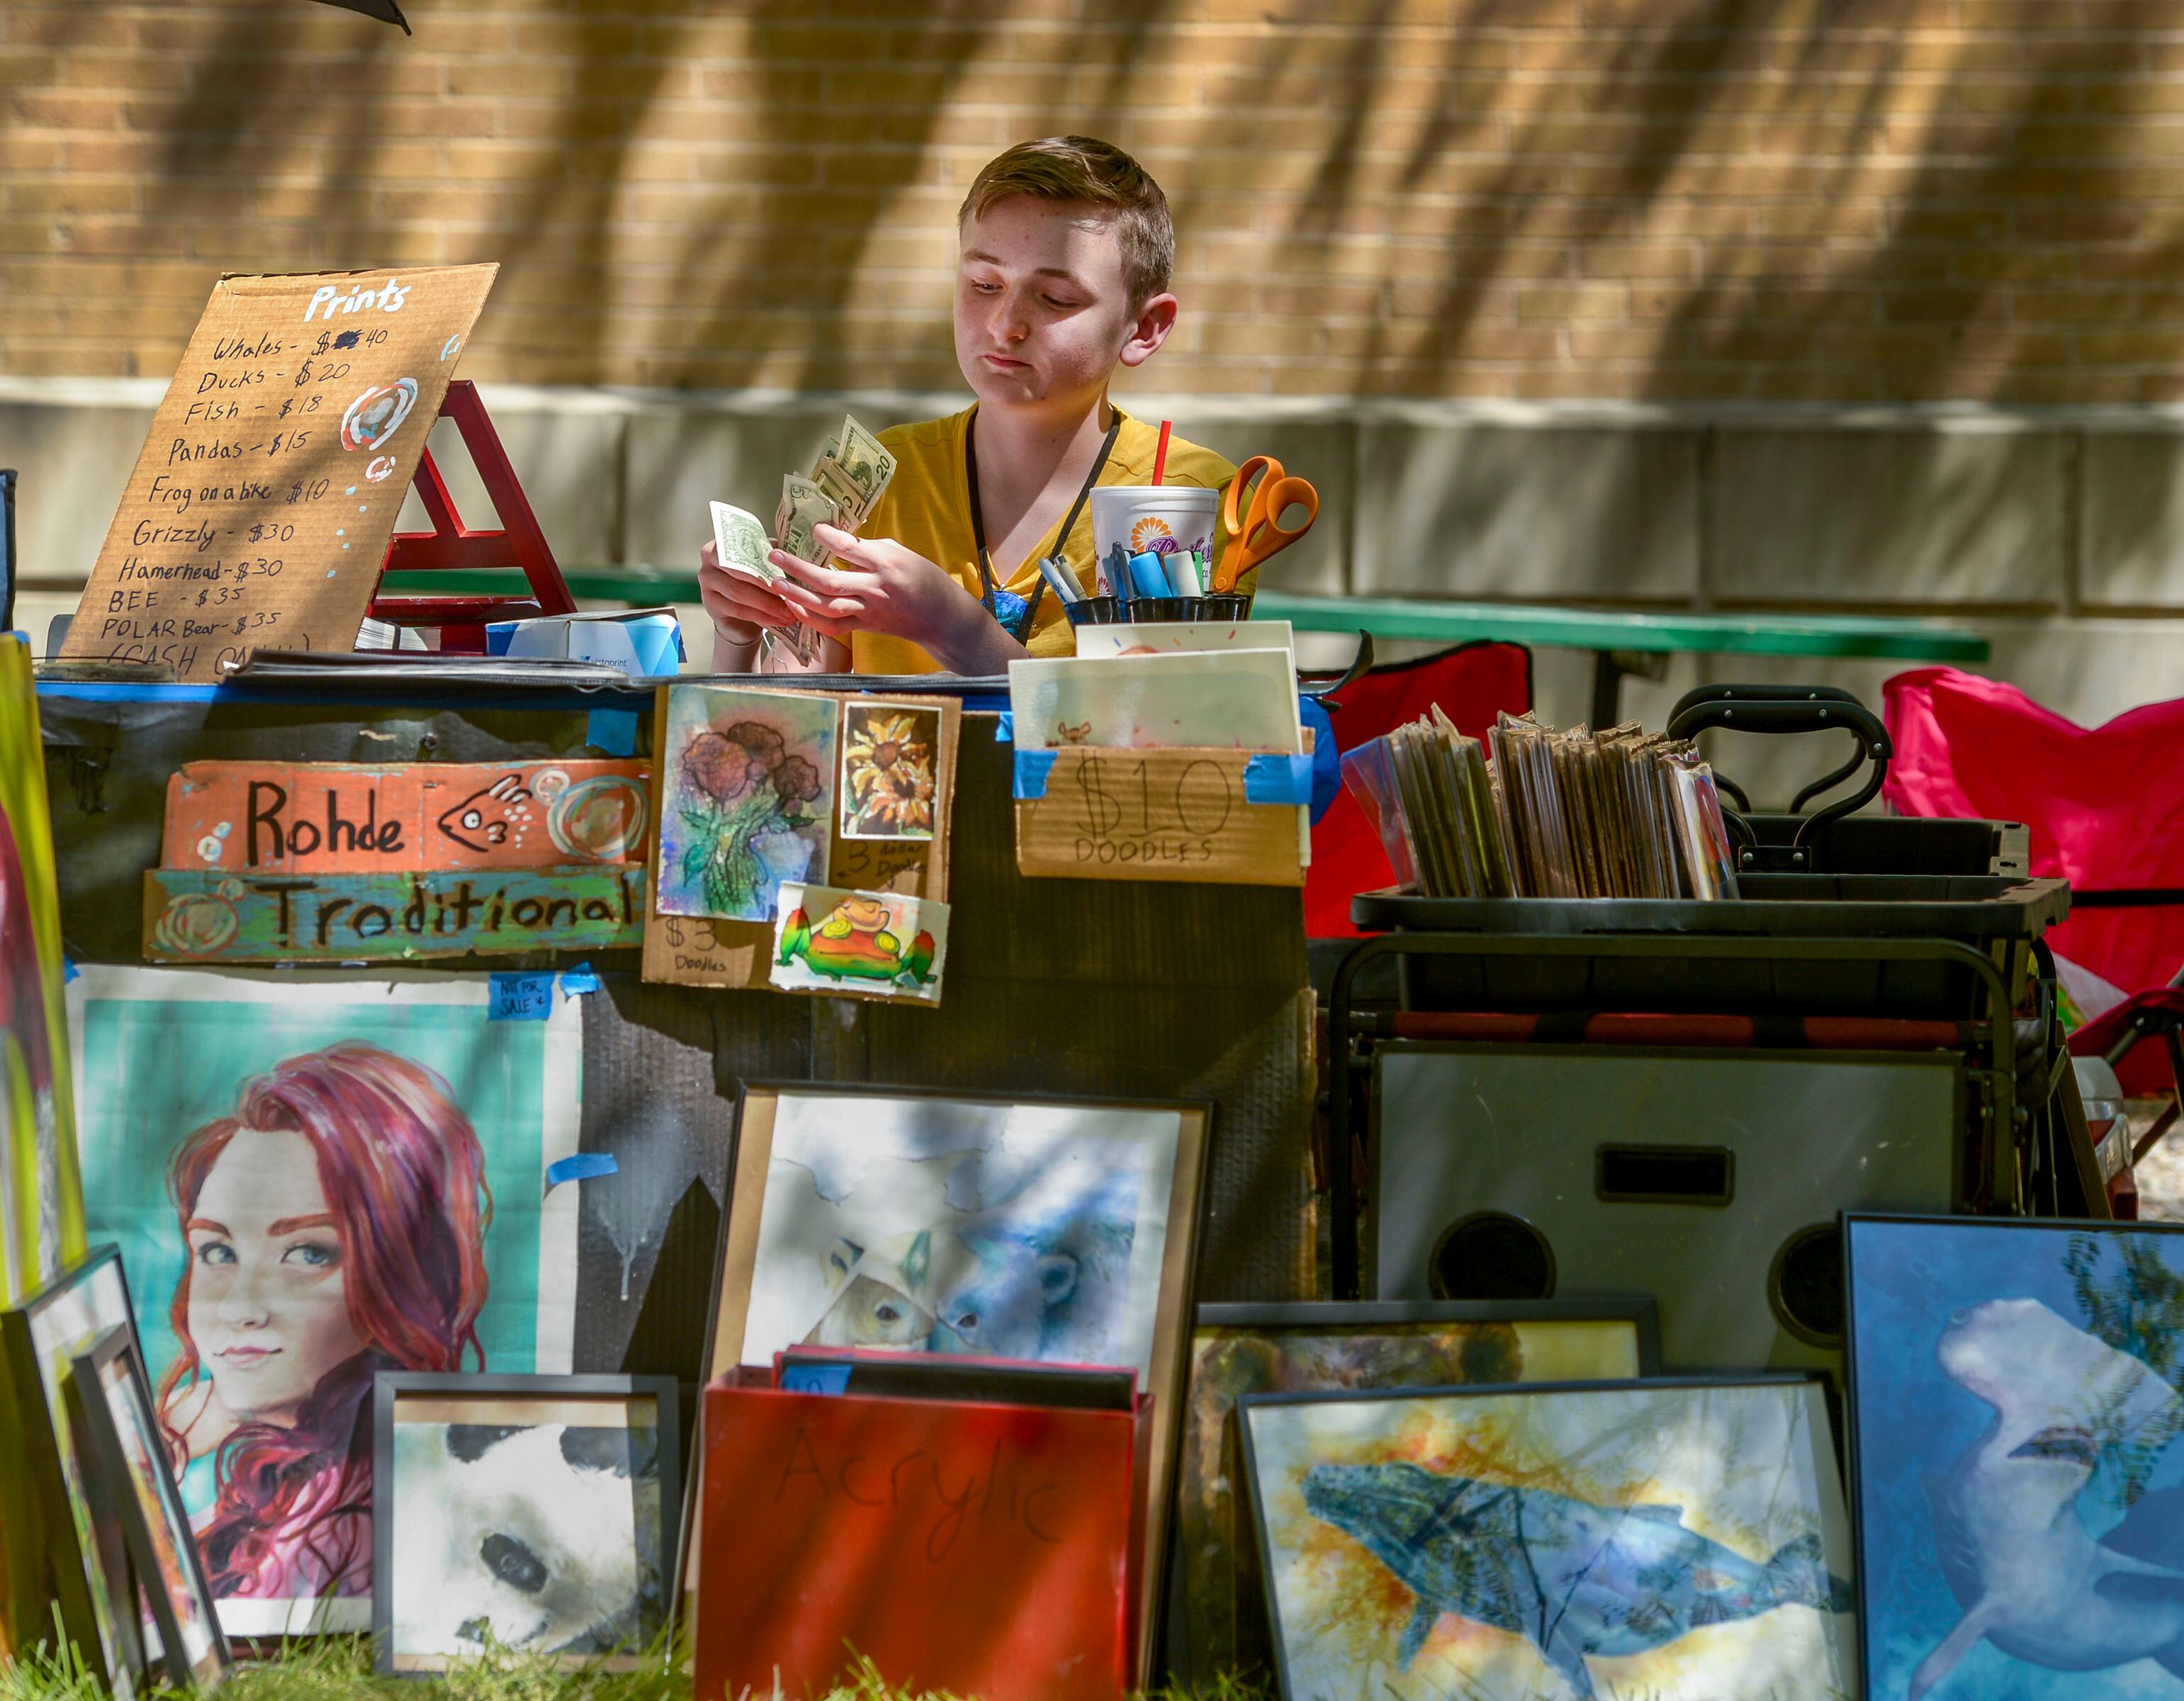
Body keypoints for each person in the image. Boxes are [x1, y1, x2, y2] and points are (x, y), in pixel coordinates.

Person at [697, 135, 1238, 675]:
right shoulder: (887, 476)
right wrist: (739, 635)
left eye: (1055, 298)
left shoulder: (1192, 493)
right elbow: (792, 731)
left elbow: (1163, 732)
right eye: (984, 284)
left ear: (1144, 328)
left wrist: (953, 628)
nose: (1006, 325)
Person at [152, 1043, 491, 1601]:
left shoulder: (339, 1522)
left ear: (400, 1277)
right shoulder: (277, 1487)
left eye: (308, 1253)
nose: (241, 1307)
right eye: (217, 1251)